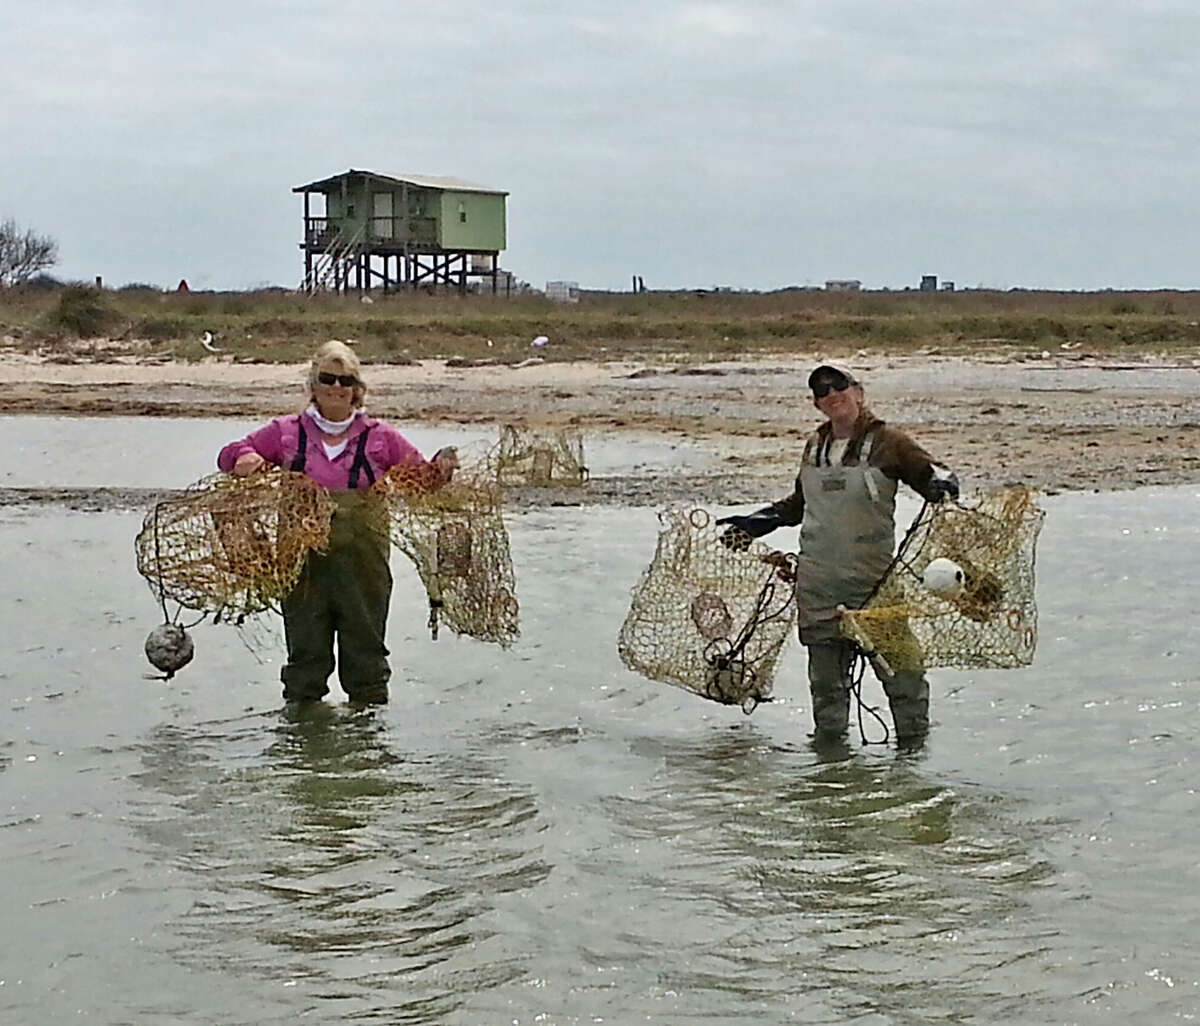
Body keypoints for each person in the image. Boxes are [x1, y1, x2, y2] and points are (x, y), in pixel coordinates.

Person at [718, 365, 959, 746]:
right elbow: (798, 506)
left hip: (874, 585)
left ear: (859, 392)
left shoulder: (889, 441)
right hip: (818, 586)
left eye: (839, 386)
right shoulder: (814, 447)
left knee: (904, 677)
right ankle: (831, 765)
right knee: (826, 690)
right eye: (822, 391)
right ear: (817, 404)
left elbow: (929, 473)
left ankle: (913, 757)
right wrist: (755, 522)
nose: (832, 394)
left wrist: (940, 483)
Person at [217, 340, 457, 706]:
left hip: (363, 568)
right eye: (327, 379)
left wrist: (441, 470)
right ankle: (303, 747)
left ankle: (368, 743)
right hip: (302, 566)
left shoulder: (380, 437)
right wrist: (243, 457)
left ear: (357, 390)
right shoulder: (286, 432)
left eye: (345, 381)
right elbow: (228, 454)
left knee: (367, 662)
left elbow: (422, 481)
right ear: (312, 387)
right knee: (305, 663)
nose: (336, 388)